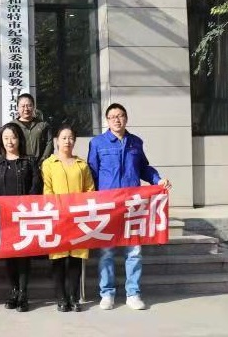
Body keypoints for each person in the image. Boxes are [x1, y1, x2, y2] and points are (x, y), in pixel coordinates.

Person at [87, 103, 173, 311]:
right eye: (112, 117)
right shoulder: (97, 143)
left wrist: (158, 180)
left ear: (126, 118)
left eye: (120, 116)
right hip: (108, 205)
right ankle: (107, 293)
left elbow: (143, 168)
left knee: (134, 252)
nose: (117, 120)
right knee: (106, 252)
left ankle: (133, 294)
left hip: (132, 206)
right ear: (107, 121)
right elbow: (92, 173)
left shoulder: (136, 142)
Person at [0, 123, 41, 312]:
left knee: (23, 255)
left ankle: (23, 294)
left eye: (13, 137)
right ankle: (14, 291)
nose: (10, 141)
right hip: (4, 216)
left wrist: (25, 206)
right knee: (9, 255)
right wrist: (2, 206)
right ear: (1, 141)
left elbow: (36, 186)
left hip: (24, 216)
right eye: (6, 138)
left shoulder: (30, 161)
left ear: (20, 139)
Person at [43, 124, 95, 313]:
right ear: (57, 141)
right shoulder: (49, 164)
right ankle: (61, 298)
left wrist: (81, 209)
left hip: (78, 219)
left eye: (71, 137)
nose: (67, 141)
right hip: (57, 218)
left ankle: (74, 297)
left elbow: (90, 189)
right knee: (58, 259)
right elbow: (47, 190)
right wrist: (57, 209)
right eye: (64, 138)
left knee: (75, 259)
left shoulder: (82, 165)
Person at [12, 93, 54, 165]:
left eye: (29, 105)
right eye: (23, 106)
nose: (26, 109)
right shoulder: (12, 126)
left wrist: (42, 161)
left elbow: (49, 144)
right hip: (19, 165)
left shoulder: (43, 125)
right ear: (17, 108)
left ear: (34, 107)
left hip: (41, 165)